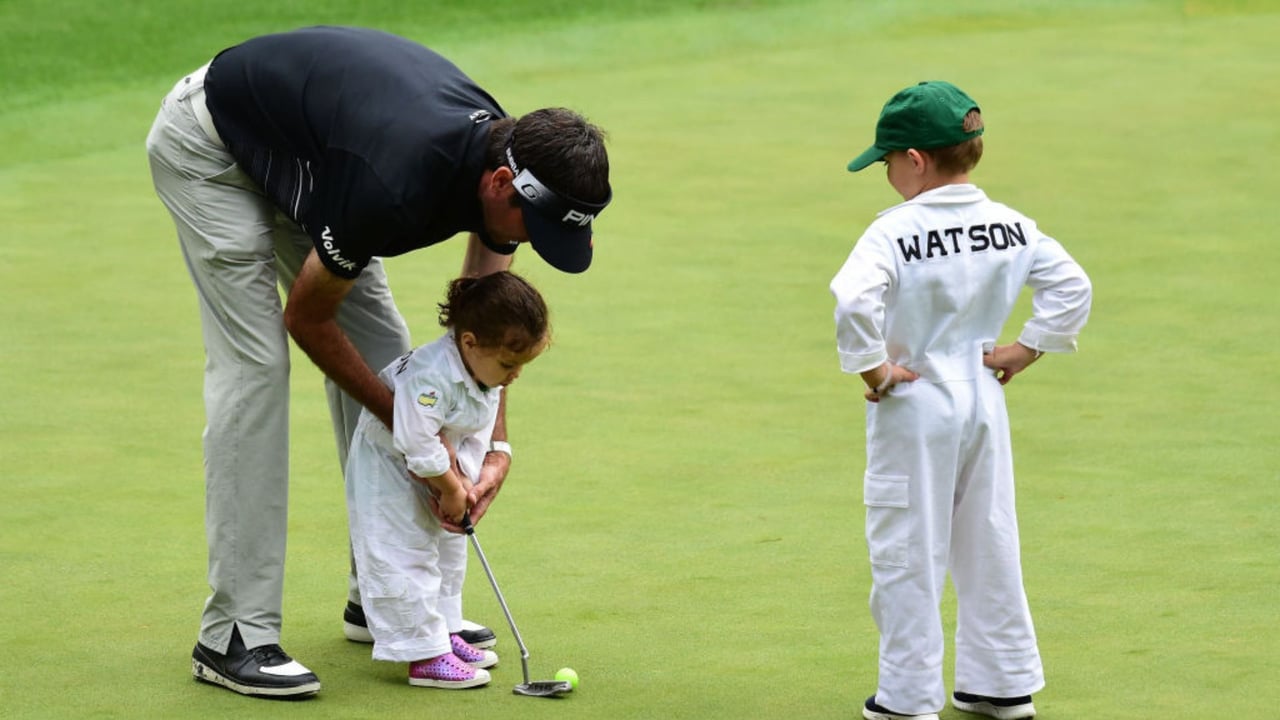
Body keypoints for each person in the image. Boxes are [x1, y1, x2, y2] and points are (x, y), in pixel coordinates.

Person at [146, 26, 611, 698]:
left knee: (393, 363)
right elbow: (307, 318)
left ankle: (385, 601)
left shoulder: (507, 163)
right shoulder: (394, 182)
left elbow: (487, 330)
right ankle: (232, 634)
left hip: (318, 159)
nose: (527, 244)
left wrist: (493, 447)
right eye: (530, 229)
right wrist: (423, 443)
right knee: (257, 372)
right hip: (212, 146)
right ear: (503, 182)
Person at [829, 81, 1092, 720]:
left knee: (907, 548)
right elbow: (1071, 285)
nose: (886, 171)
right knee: (989, 537)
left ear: (915, 159)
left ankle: (907, 698)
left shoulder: (893, 230)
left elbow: (852, 298)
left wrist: (874, 371)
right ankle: (1000, 684)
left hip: (915, 398)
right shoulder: (1010, 223)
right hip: (981, 396)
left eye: (888, 159)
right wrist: (1025, 348)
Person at [345, 271, 549, 689]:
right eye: (509, 365)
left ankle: (444, 631)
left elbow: (472, 429)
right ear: (470, 342)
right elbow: (417, 443)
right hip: (388, 465)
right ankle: (423, 654)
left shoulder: (482, 368)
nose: (513, 377)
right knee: (405, 551)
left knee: (450, 548)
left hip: (439, 466)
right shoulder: (431, 377)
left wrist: (465, 485)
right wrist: (452, 488)